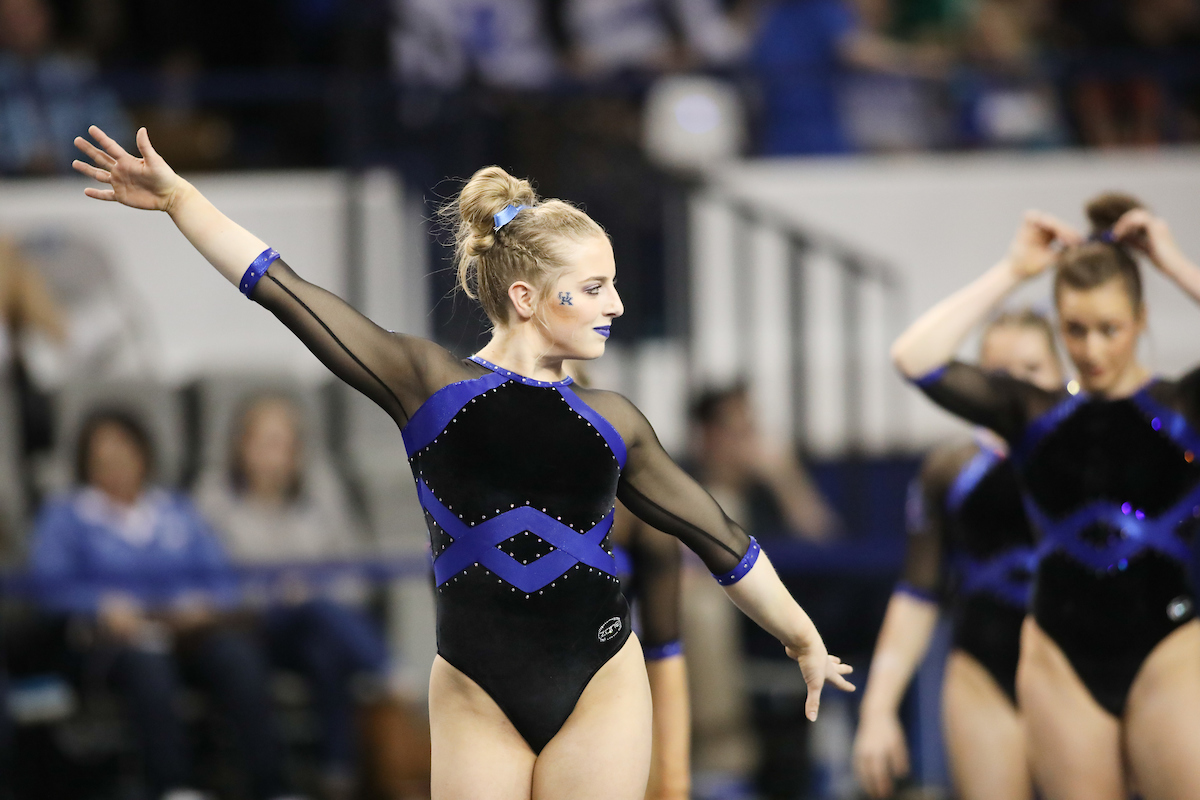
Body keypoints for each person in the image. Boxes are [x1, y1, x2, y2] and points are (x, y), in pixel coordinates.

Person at [71, 126, 854, 800]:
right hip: (478, 690)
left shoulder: (614, 422)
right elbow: (282, 289)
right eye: (595, 287)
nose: (616, 305)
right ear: (527, 296)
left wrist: (802, 636)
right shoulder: (430, 386)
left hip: (601, 681)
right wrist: (180, 201)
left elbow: (720, 538)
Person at [890, 193, 1200, 800]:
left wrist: (1172, 263)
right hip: (1060, 656)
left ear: (1140, 319)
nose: (1094, 349)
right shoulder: (1034, 413)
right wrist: (1013, 271)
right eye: (1076, 330)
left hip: (1169, 646)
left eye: (1111, 328)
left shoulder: (1182, 407)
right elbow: (914, 356)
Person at [27, 408, 299, 800]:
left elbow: (221, 576)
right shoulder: (66, 516)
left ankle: (273, 786)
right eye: (103, 460)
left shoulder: (176, 511)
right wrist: (98, 605)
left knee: (238, 657)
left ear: (144, 455)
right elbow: (48, 586)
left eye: (125, 454)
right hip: (111, 643)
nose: (116, 467)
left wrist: (205, 605)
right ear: (86, 464)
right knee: (148, 663)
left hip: (187, 633)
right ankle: (174, 787)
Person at [854, 310, 1064, 800]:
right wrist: (878, 709)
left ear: (1061, 373)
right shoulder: (950, 468)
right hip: (983, 671)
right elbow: (917, 592)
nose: (1014, 388)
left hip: (1074, 665)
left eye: (1031, 371)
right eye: (997, 374)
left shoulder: (1091, 454)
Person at [195, 393, 429, 800]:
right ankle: (389, 672)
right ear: (241, 445)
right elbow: (208, 580)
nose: (277, 455)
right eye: (267, 442)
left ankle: (335, 777)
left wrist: (307, 593)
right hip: (246, 627)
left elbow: (356, 576)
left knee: (325, 643)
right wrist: (276, 592)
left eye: (287, 444)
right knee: (313, 614)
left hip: (313, 626)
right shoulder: (212, 497)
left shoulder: (322, 492)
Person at [609, 504, 690, 800]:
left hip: (600, 695)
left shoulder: (637, 513)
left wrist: (673, 782)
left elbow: (665, 651)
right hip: (486, 689)